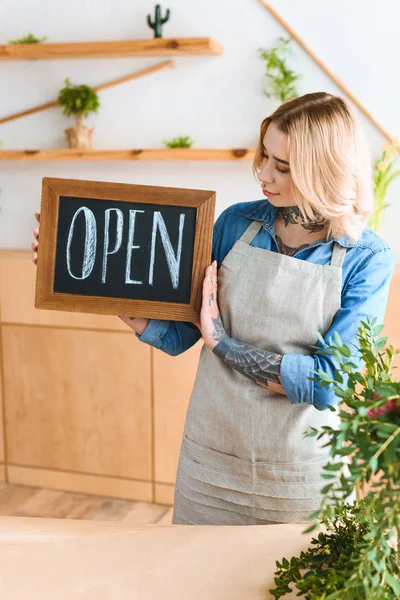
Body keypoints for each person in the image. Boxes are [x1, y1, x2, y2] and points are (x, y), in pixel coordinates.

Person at [32, 92, 395, 526]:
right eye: (265, 156)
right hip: (211, 465)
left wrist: (222, 344)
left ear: (324, 172)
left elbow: (328, 382)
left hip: (303, 477)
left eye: (283, 167)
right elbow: (182, 332)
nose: (263, 173)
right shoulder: (234, 224)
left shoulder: (366, 257)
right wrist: (94, 280)